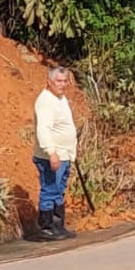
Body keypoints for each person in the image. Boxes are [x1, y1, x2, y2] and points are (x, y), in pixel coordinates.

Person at [32, 65, 79, 241]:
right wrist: (52, 153)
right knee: (50, 190)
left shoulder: (60, 98)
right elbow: (43, 129)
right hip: (51, 157)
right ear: (49, 82)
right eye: (58, 81)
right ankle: (46, 228)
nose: (62, 84)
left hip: (64, 155)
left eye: (65, 81)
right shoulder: (46, 101)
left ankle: (58, 226)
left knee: (58, 190)